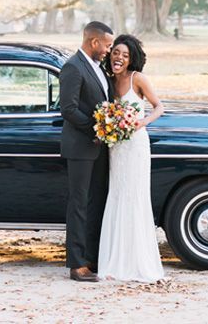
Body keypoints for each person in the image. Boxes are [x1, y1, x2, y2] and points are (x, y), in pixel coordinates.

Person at [98, 34, 165, 283]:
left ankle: (137, 262)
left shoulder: (139, 79)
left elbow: (159, 106)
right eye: (116, 53)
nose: (120, 58)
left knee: (134, 197)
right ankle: (115, 262)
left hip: (136, 145)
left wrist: (142, 122)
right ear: (111, 54)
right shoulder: (107, 81)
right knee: (117, 195)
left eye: (125, 55)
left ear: (131, 59)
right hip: (116, 147)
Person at [59, 21, 115, 282]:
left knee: (95, 203)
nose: (108, 50)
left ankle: (91, 257)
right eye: (107, 45)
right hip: (81, 147)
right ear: (94, 42)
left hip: (99, 148)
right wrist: (98, 129)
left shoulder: (98, 68)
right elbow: (68, 110)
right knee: (79, 204)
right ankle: (77, 265)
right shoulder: (73, 67)